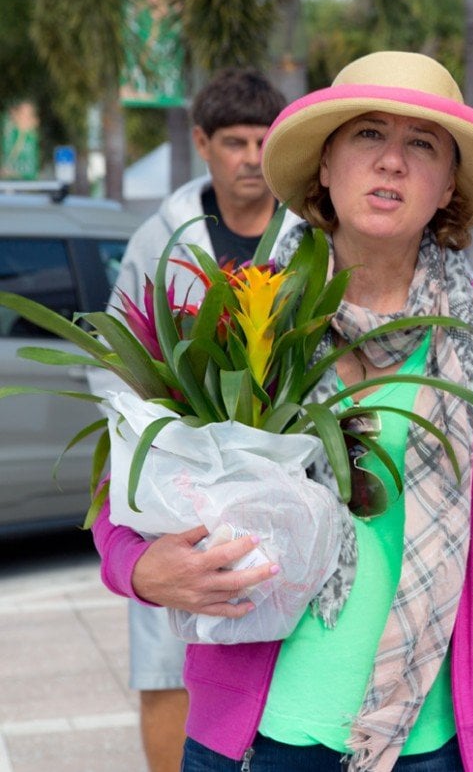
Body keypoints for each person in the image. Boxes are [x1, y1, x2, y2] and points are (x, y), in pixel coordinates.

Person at [91, 51, 473, 772]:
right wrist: (138, 566)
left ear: (447, 185)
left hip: (440, 746)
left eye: (421, 144)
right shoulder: (242, 311)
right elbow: (127, 487)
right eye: (367, 135)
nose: (392, 161)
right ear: (326, 167)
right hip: (255, 741)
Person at [88, 67, 295, 772]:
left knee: (278, 650)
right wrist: (141, 454)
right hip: (180, 483)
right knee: (165, 656)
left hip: (284, 480)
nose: (250, 158)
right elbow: (115, 351)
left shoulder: (308, 236)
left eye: (265, 141)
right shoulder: (163, 236)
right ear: (202, 143)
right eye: (234, 141)